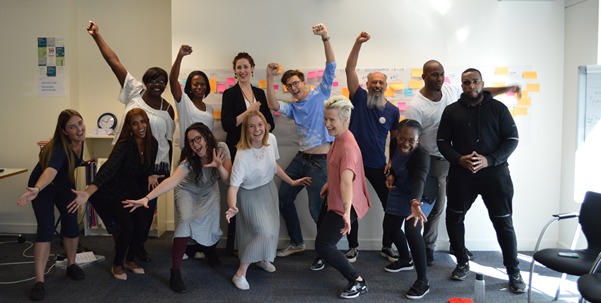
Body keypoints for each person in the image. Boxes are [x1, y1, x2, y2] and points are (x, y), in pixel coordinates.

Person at [405, 60, 521, 266]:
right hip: (442, 163)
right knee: (442, 210)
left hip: (480, 169)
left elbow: (510, 136)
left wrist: (508, 88)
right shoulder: (426, 107)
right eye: (434, 74)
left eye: (441, 74)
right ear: (424, 77)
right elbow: (426, 140)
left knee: (493, 219)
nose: (470, 86)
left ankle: (505, 266)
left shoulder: (487, 104)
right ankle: (439, 252)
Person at [87, 21, 175, 262]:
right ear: (146, 81)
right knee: (115, 204)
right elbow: (114, 61)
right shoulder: (134, 92)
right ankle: (122, 242)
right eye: (153, 80)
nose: (157, 84)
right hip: (125, 161)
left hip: (152, 168)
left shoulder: (168, 109)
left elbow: (167, 143)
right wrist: (97, 36)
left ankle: (137, 245)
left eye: (162, 81)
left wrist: (166, 172)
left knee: (144, 214)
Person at [437, 68, 526, 293]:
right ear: (462, 85)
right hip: (461, 175)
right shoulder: (451, 111)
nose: (471, 86)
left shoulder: (498, 108)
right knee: (454, 219)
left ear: (482, 83)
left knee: (504, 223)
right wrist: (458, 159)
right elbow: (442, 141)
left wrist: (490, 160)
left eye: (475, 82)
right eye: (466, 83)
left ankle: (513, 271)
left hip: (495, 176)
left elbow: (512, 139)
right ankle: (462, 262)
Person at [124, 122, 231, 294]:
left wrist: (219, 166)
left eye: (198, 139)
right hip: (187, 190)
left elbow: (228, 180)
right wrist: (146, 197)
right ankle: (175, 272)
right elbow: (172, 181)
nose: (195, 145)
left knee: (212, 226)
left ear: (208, 137)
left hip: (209, 189)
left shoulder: (221, 149)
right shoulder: (190, 160)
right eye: (191, 141)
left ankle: (210, 252)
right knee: (186, 221)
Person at [265, 23, 335, 258]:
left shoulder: (320, 94)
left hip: (321, 161)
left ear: (304, 82)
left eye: (296, 83)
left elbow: (331, 65)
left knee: (316, 210)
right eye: (289, 86)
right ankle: (297, 242)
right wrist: (269, 77)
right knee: (284, 198)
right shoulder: (293, 107)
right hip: (301, 159)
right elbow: (273, 105)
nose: (293, 88)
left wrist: (325, 38)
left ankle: (326, 252)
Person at [70, 108, 162, 281]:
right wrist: (88, 192)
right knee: (127, 227)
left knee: (143, 225)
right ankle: (117, 265)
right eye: (135, 123)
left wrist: (150, 174)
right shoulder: (125, 145)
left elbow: (146, 167)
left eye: (142, 121)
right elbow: (109, 170)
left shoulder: (153, 143)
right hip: (110, 191)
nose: (140, 126)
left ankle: (129, 260)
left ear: (147, 123)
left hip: (129, 191)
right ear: (129, 126)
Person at [225, 111, 310, 290]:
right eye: (251, 126)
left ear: (265, 125)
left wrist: (292, 181)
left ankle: (262, 259)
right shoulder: (242, 155)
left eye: (260, 124)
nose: (257, 129)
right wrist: (232, 206)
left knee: (272, 230)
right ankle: (240, 273)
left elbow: (273, 165)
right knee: (263, 232)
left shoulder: (271, 139)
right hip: (248, 195)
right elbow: (233, 186)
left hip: (268, 190)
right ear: (246, 131)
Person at [18, 109, 87, 301]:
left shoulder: (81, 140)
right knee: (46, 229)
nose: (79, 129)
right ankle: (39, 281)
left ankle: (71, 264)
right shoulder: (59, 149)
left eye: (80, 123)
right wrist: (38, 189)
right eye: (72, 127)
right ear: (64, 131)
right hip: (42, 188)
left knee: (71, 223)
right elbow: (50, 171)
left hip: (65, 185)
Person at [344, 31, 400, 263]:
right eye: (373, 82)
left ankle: (387, 246)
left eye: (381, 82)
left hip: (378, 165)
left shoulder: (393, 111)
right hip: (354, 164)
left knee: (391, 206)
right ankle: (353, 247)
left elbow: (395, 140)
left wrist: (392, 164)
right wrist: (358, 43)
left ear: (386, 86)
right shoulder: (358, 98)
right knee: (351, 205)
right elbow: (349, 69)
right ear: (367, 85)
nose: (377, 85)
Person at [316, 96, 370, 299]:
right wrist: (330, 184)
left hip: (344, 205)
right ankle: (324, 258)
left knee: (324, 245)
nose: (327, 124)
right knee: (321, 231)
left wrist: (347, 214)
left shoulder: (347, 147)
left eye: (332, 120)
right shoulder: (340, 138)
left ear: (345, 119)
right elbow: (339, 171)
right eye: (326, 119)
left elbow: (348, 182)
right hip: (334, 198)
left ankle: (357, 280)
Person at [221, 52, 275, 255]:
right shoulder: (229, 93)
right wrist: (249, 111)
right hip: (237, 152)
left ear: (252, 68)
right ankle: (234, 247)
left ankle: (258, 244)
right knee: (238, 199)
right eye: (239, 67)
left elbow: (271, 123)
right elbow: (227, 125)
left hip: (258, 152)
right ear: (234, 71)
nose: (242, 71)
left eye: (246, 66)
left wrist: (261, 129)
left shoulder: (260, 93)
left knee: (255, 200)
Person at [383, 119, 439, 300]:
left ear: (418, 140)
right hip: (401, 188)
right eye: (402, 138)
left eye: (411, 140)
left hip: (421, 193)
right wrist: (390, 174)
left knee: (412, 230)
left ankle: (423, 280)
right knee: (390, 227)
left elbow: (421, 178)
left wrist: (415, 201)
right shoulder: (393, 143)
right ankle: (405, 259)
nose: (406, 144)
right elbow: (394, 164)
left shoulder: (422, 155)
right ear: (397, 136)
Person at [170, 44, 215, 148]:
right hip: (190, 154)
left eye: (202, 84)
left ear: (207, 86)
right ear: (190, 86)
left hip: (207, 155)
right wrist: (180, 56)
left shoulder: (210, 109)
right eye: (195, 84)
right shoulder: (184, 101)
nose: (199, 87)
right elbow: (173, 81)